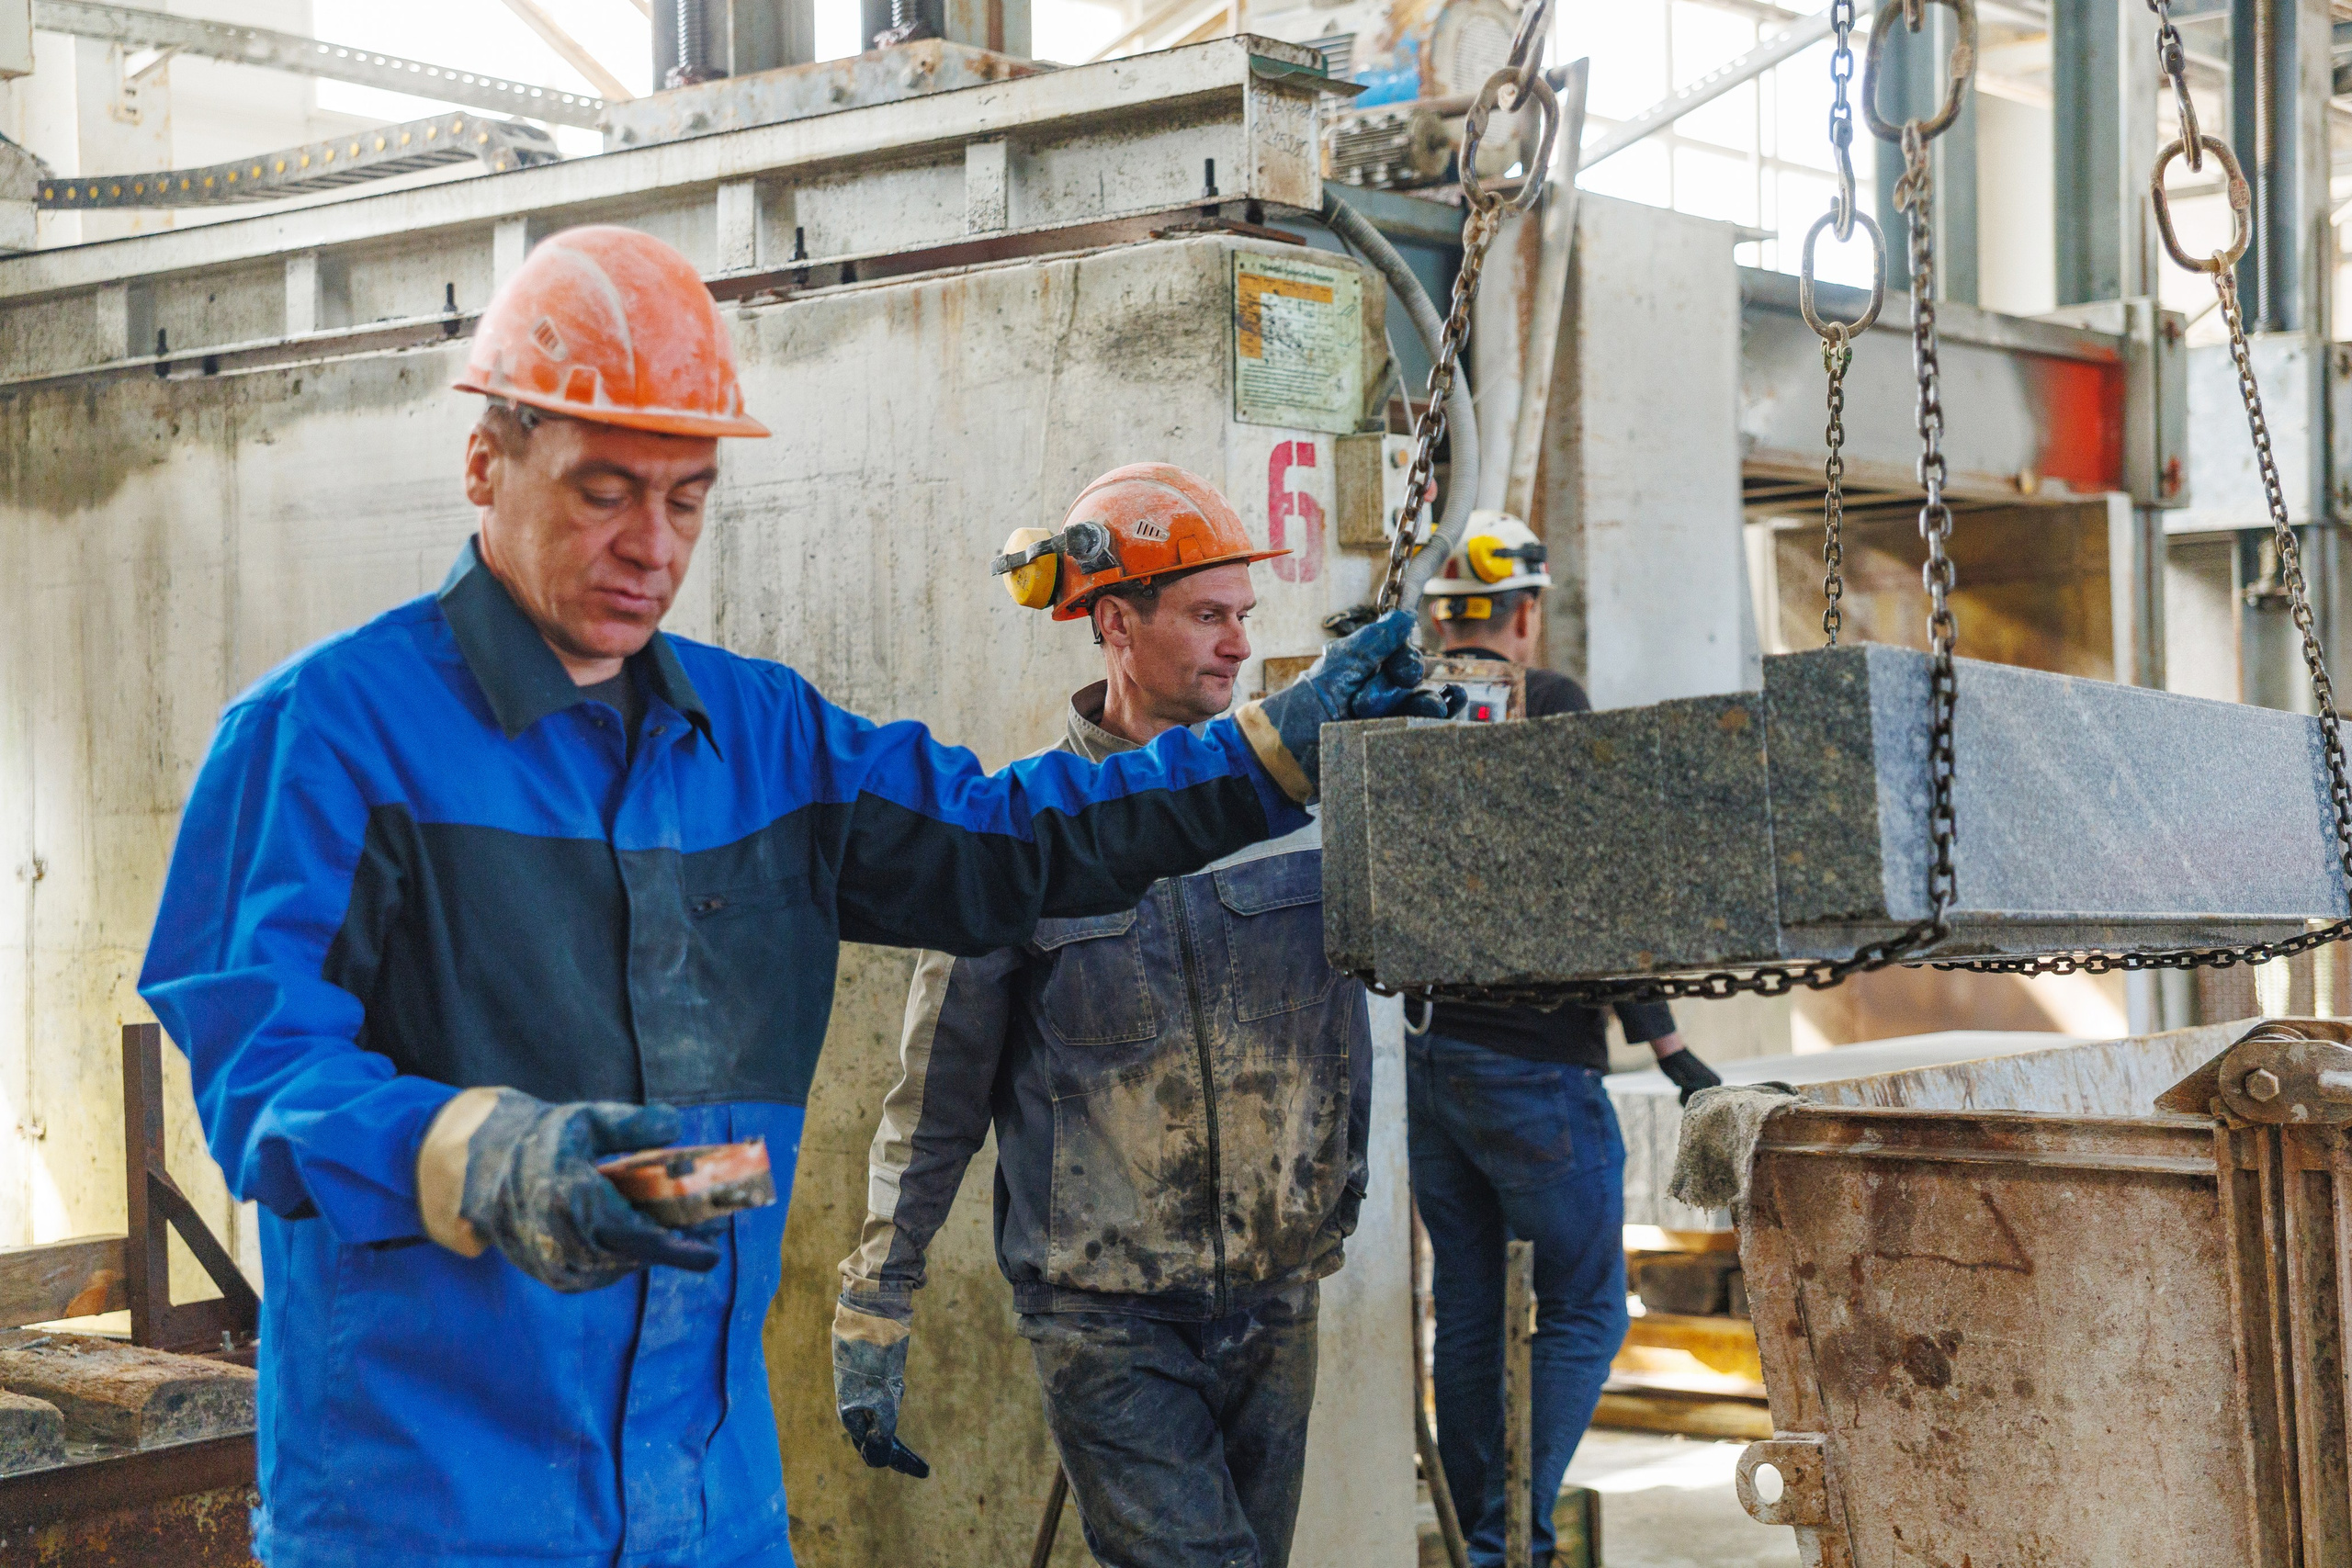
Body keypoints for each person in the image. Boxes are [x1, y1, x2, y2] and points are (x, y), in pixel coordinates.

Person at [134, 225, 1451, 1568]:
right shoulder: (324, 738)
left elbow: (1012, 838)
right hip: (432, 1511)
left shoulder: (766, 741)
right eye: (604, 490)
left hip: (707, 1508)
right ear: (488, 460)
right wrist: (486, 1154)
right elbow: (262, 1071)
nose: (652, 544)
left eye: (688, 498)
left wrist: (1269, 749)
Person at [831, 466, 1375, 1568]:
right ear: (1116, 623)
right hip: (1104, 1315)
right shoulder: (1017, 839)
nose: (1236, 644)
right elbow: (935, 1097)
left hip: (1277, 1292)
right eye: (1208, 616)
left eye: (1243, 617)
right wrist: (877, 1299)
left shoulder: (1307, 811)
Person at [1409, 513, 1722, 1568]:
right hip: (1535, 1070)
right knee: (1585, 1308)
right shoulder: (1547, 705)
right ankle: (1506, 1540)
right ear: (1525, 614)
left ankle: (1469, 1536)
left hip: (1425, 1057)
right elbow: (1597, 893)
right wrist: (1673, 1052)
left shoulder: (1401, 712)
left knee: (1467, 1305)